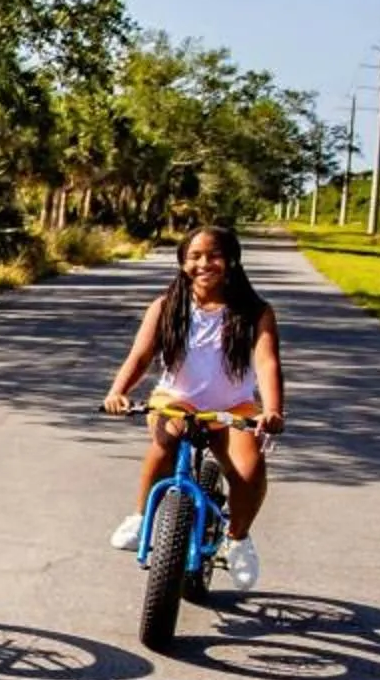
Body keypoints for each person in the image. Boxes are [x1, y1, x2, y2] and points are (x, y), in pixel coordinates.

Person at [100, 223, 284, 590]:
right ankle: (140, 517)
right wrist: (118, 391)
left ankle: (238, 538)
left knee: (250, 470)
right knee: (168, 439)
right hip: (175, 400)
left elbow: (267, 363)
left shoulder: (255, 312)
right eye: (194, 256)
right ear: (183, 262)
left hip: (233, 407)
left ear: (232, 261)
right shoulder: (166, 307)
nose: (204, 263)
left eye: (214, 255)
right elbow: (140, 356)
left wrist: (273, 409)